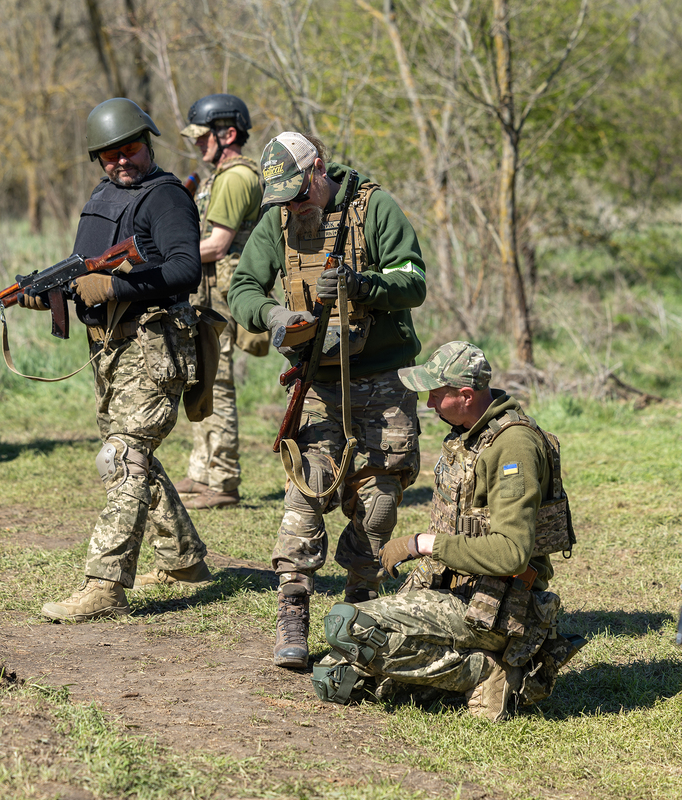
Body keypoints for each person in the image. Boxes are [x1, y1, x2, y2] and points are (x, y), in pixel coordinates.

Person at [228, 131, 426, 668]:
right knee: (304, 490)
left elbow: (413, 281)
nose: (293, 204)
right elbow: (242, 287)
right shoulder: (278, 220)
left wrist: (362, 286)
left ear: (318, 169)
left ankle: (361, 610)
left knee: (380, 500)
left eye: (299, 192)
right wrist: (272, 316)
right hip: (317, 379)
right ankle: (292, 606)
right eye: (283, 197)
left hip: (384, 380)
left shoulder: (374, 208)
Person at [309, 342, 584, 718]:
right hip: (455, 591)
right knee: (335, 675)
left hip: (496, 607)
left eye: (436, 395)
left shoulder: (514, 447)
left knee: (350, 626)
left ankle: (490, 671)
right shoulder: (468, 433)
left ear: (466, 395)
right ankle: (465, 669)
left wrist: (422, 544)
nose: (429, 405)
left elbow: (512, 552)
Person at [32, 98, 214, 621]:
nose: (121, 161)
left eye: (130, 149)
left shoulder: (167, 199)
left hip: (155, 345)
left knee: (127, 456)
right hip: (110, 349)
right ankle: (183, 560)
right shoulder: (103, 196)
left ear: (148, 143)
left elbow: (184, 271)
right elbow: (79, 273)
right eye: (109, 155)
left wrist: (116, 284)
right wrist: (45, 294)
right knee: (126, 457)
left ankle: (104, 583)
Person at [175, 93, 263, 510]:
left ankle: (223, 480)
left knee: (218, 383)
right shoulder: (220, 174)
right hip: (210, 294)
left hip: (222, 298)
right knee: (202, 378)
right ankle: (202, 470)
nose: (197, 144)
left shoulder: (235, 177)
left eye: (202, 136)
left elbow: (217, 244)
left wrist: (169, 255)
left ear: (228, 134)